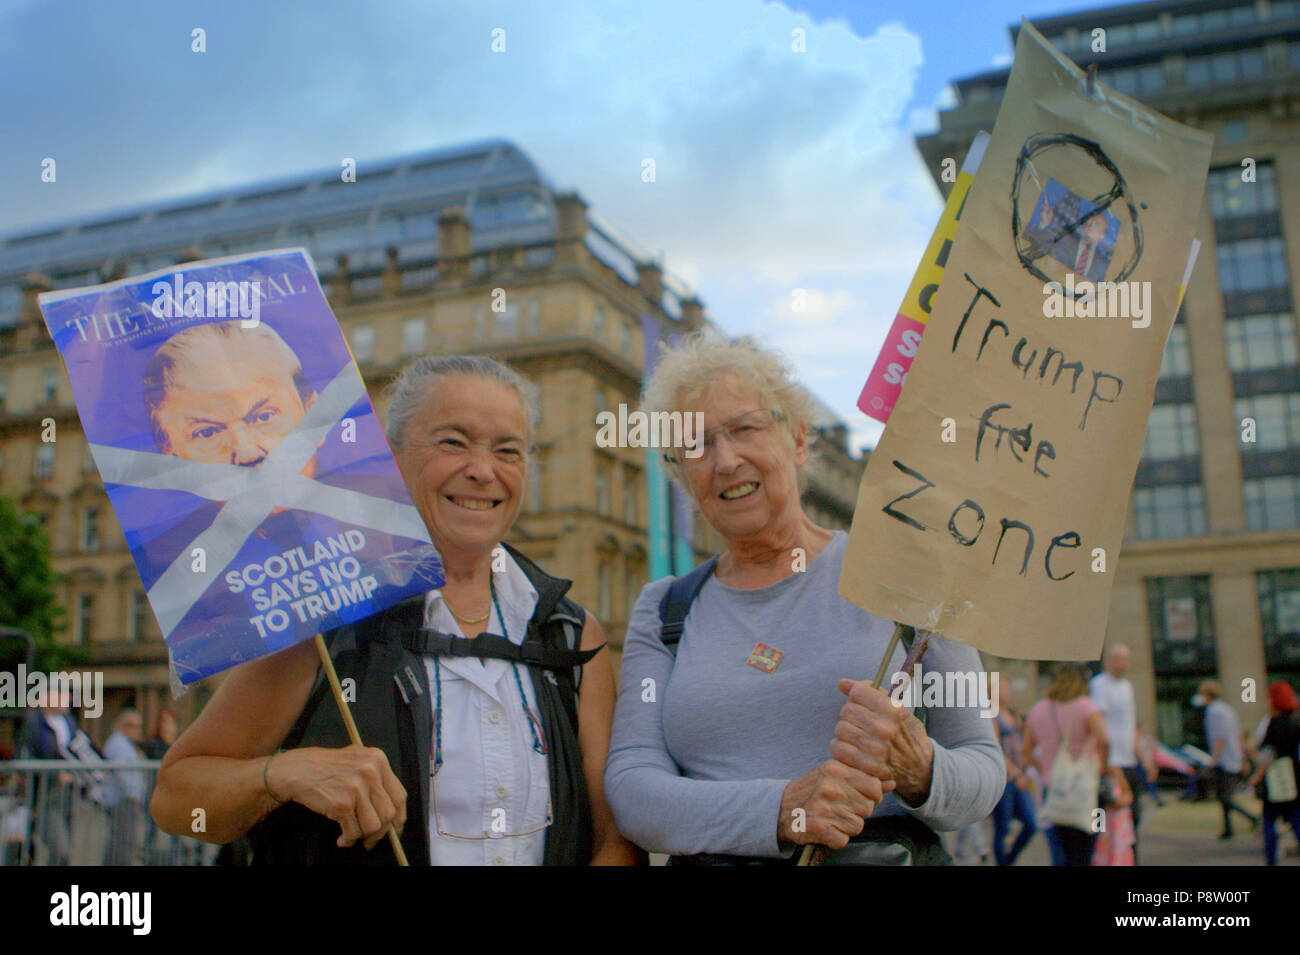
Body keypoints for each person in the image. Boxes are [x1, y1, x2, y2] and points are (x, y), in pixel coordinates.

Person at [151, 355, 638, 865]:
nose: (482, 470)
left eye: (508, 451)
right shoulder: (327, 613)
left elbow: (613, 836)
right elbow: (177, 798)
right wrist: (288, 773)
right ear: (392, 456)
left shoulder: (570, 632)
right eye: (454, 441)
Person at [604, 334, 1004, 865]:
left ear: (796, 438)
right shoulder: (664, 610)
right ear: (681, 475)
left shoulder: (909, 577)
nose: (725, 460)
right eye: (695, 445)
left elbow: (984, 771)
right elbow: (633, 791)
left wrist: (922, 768)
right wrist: (784, 808)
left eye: (745, 428)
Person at [133, 318, 440, 685]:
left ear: (312, 412)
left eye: (263, 416)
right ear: (171, 457)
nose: (247, 453)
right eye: (207, 432)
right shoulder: (178, 575)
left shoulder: (400, 529)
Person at [1023, 664, 1120, 866]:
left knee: (1060, 848)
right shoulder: (1085, 706)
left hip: (1053, 788)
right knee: (1087, 846)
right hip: (1087, 789)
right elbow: (1105, 740)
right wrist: (1102, 765)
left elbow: (1026, 751)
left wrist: (1045, 769)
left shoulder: (1039, 708)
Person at [1089, 644, 1144, 863]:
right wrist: (1104, 762)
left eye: (1125, 659)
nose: (1121, 663)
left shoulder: (1128, 687)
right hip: (1110, 763)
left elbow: (1131, 726)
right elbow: (1098, 725)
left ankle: (1128, 858)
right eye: (1117, 658)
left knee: (1132, 817)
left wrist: (1144, 757)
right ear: (1108, 660)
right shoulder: (1099, 685)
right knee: (1103, 819)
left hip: (1128, 760)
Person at [1244, 681, 1300, 865]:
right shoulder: (1296, 721)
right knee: (1295, 817)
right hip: (1294, 776)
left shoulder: (1273, 724)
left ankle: (1271, 860)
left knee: (1269, 819)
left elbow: (1267, 754)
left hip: (1276, 779)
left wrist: (1256, 775)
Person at [1197, 680, 1258, 838]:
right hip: (1233, 757)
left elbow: (1219, 737)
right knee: (1224, 795)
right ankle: (1228, 828)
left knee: (1225, 797)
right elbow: (1237, 734)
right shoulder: (1228, 710)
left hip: (1224, 760)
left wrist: (1214, 758)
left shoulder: (1213, 711)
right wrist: (1242, 757)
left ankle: (1252, 818)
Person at [991, 680, 1037, 866]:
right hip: (1005, 777)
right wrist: (1016, 774)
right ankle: (1003, 862)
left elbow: (1025, 742)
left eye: (1006, 687)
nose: (1005, 691)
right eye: (1000, 687)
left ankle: (1008, 861)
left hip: (1020, 775)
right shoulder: (990, 714)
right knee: (1003, 827)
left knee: (1030, 823)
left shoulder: (1013, 713)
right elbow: (995, 749)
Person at [101, 708, 147, 865]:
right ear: (122, 725)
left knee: (122, 841)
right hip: (123, 801)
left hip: (123, 800)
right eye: (132, 726)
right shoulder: (119, 744)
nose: (137, 731)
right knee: (124, 841)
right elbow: (123, 773)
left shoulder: (124, 744)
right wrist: (133, 795)